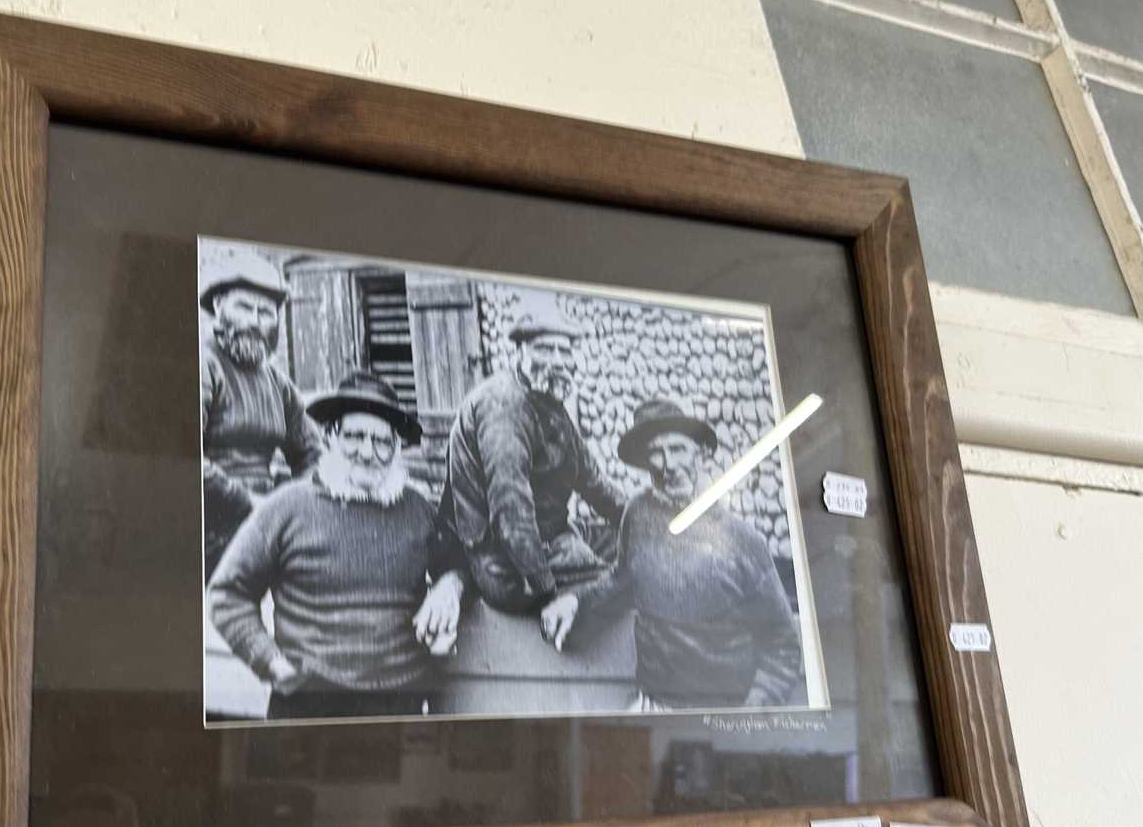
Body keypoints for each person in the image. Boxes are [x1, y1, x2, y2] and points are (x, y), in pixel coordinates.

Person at [209, 371, 468, 721]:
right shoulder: (285, 507)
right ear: (330, 437)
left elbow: (460, 561)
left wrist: (450, 584)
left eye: (382, 441)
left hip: (400, 705)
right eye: (354, 436)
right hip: (309, 705)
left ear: (396, 448)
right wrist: (271, 663)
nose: (368, 452)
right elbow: (227, 594)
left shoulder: (418, 509)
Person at [539, 398, 804, 709]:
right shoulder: (636, 515)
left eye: (678, 449)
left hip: (723, 710)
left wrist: (751, 712)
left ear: (701, 453)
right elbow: (622, 579)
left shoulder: (744, 540)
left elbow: (783, 647)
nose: (669, 465)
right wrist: (576, 600)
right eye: (656, 452)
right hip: (654, 703)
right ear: (644, 461)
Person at [440, 292, 628, 613]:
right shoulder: (503, 406)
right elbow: (511, 512)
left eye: (564, 351)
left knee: (627, 543)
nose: (556, 360)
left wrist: (656, 524)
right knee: (616, 586)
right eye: (544, 348)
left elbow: (594, 483)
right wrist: (548, 590)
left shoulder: (550, 405)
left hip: (547, 538)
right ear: (521, 352)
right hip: (503, 562)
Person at [199, 243, 322, 581]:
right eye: (245, 307)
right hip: (206, 523)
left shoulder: (277, 382)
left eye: (266, 312)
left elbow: (312, 453)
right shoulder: (202, 365)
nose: (254, 322)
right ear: (220, 306)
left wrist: (294, 505)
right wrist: (250, 503)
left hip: (263, 519)